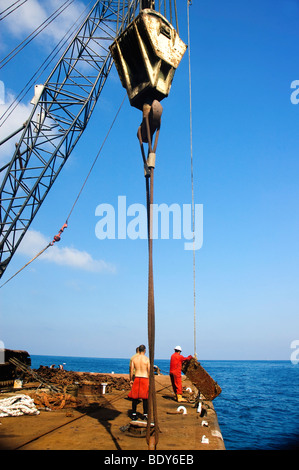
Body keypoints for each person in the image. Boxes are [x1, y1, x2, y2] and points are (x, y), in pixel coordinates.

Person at [128, 344, 150, 420]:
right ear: (145, 350)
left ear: (138, 350)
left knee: (135, 397)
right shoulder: (147, 359)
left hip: (137, 377)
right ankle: (145, 415)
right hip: (144, 378)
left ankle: (134, 414)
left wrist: (131, 380)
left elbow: (131, 370)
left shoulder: (134, 359)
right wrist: (150, 381)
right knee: (145, 398)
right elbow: (149, 371)